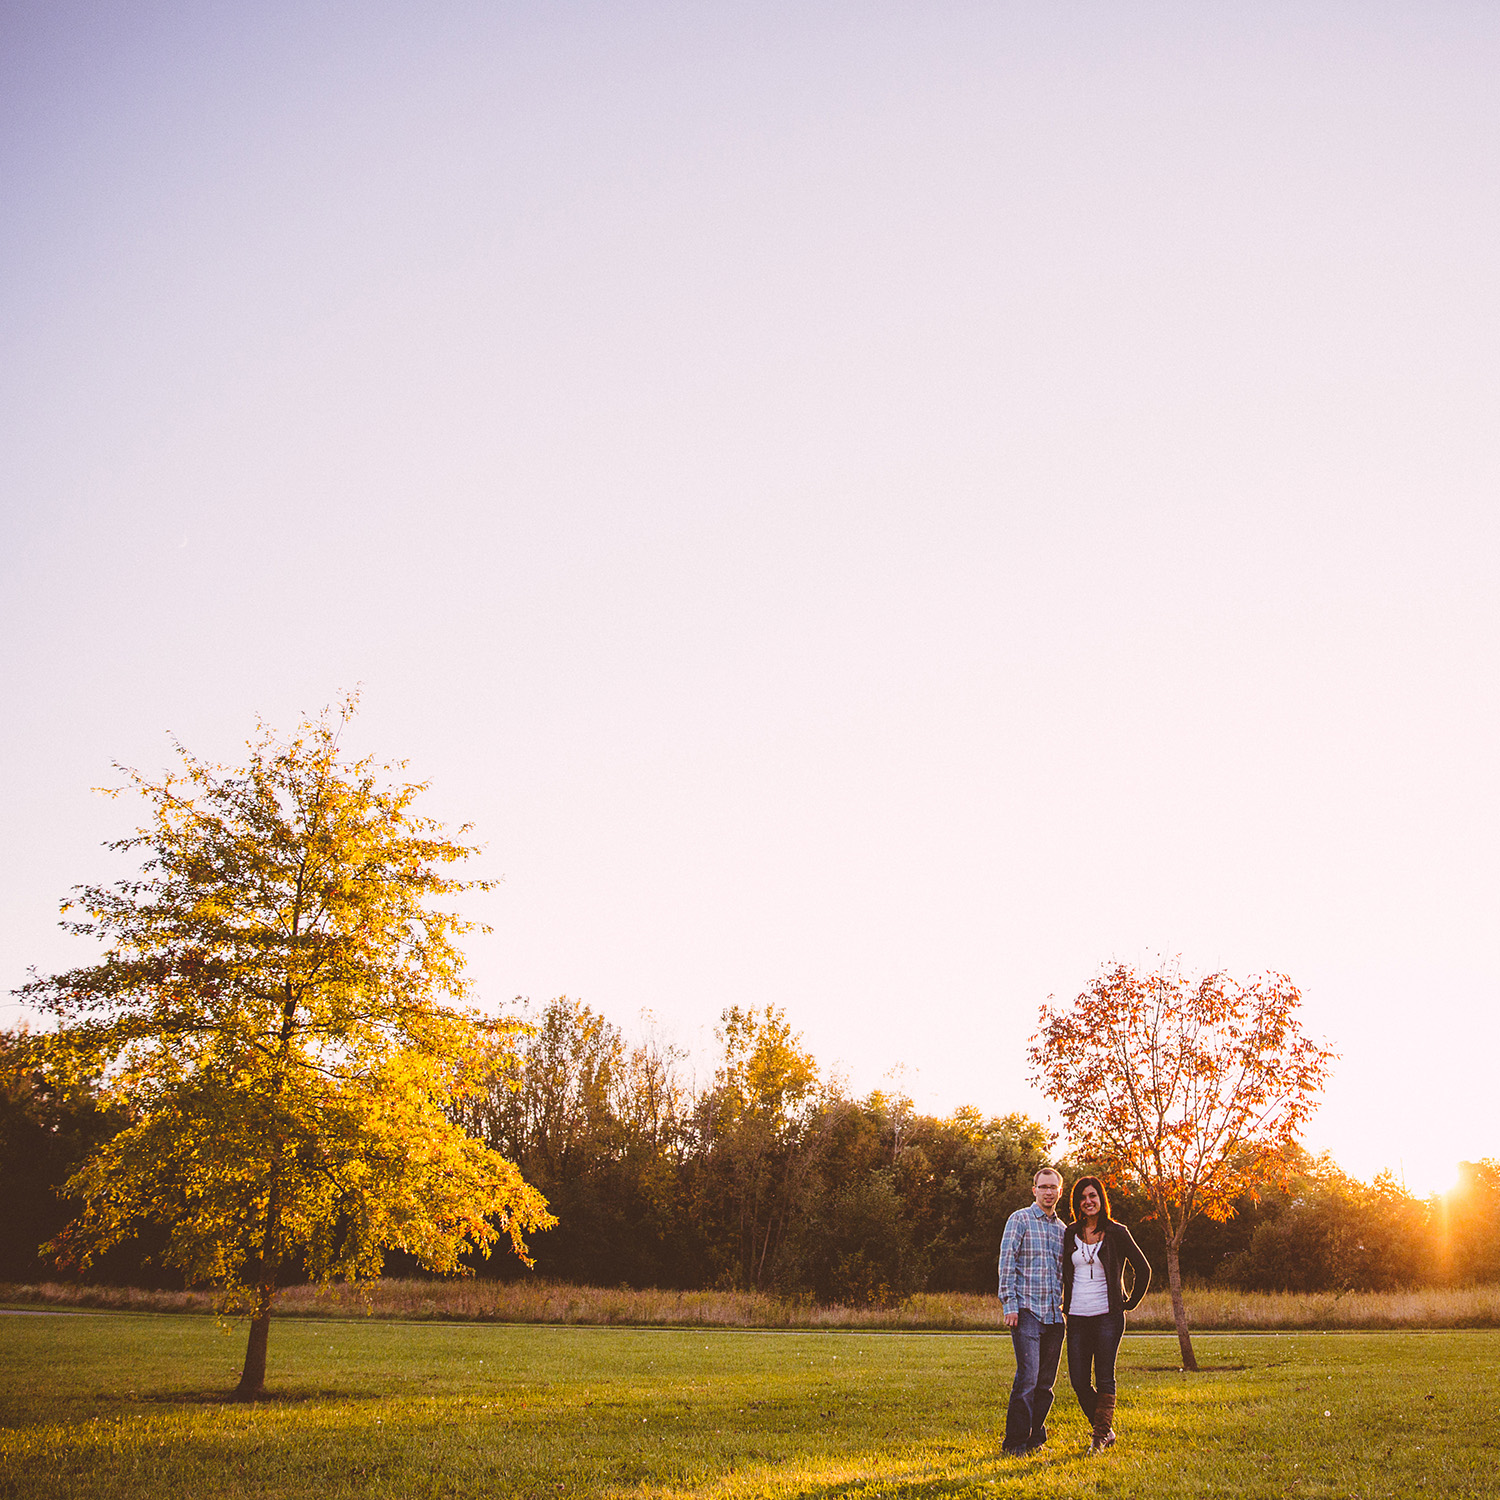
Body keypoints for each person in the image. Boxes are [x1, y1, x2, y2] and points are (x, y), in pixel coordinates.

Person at [1062, 1174, 1153, 1455]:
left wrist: (1129, 1303)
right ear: (1077, 1203)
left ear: (1101, 1199)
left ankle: (1099, 1437)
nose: (1088, 1201)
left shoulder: (1117, 1232)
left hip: (1108, 1316)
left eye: (1093, 1196)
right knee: (1078, 1379)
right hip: (1076, 1316)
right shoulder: (1070, 1233)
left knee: (1104, 1376)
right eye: (1082, 1197)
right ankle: (1106, 1429)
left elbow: (1144, 1268)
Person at [997, 1165, 1067, 1455]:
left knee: (1045, 1384)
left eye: (1053, 1188)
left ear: (1060, 1192)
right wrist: (1009, 1304)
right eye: (1044, 1187)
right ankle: (1014, 1443)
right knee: (1027, 1378)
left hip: (1054, 1316)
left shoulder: (1064, 1230)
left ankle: (1035, 1439)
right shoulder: (1020, 1219)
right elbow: (1006, 1262)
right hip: (1026, 1312)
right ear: (1034, 1190)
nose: (1048, 1192)